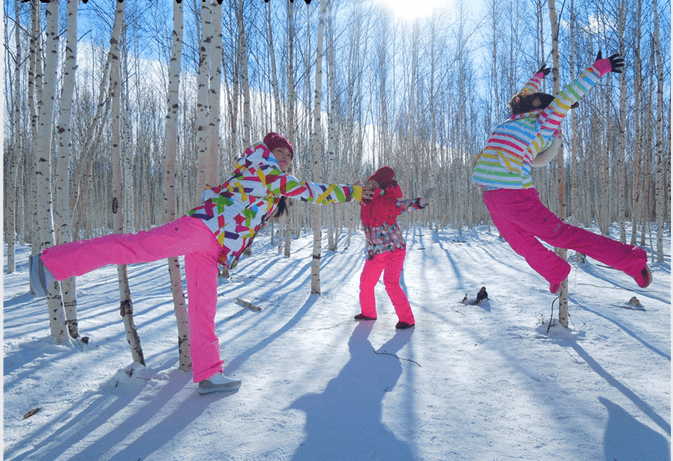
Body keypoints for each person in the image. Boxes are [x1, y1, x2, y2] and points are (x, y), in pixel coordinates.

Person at [31, 132, 374, 394]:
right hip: (202, 228)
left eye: (288, 156)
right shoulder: (261, 167)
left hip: (213, 246)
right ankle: (51, 263)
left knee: (203, 307)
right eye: (281, 152)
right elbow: (308, 190)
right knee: (135, 248)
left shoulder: (271, 181)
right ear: (268, 151)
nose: (285, 159)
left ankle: (209, 372)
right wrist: (352, 192)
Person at [471, 52, 651, 295]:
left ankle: (632, 261)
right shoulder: (512, 118)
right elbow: (523, 95)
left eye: (536, 99)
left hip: (514, 196)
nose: (529, 99)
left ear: (543, 107)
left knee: (561, 236)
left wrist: (599, 68)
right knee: (520, 243)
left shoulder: (543, 123)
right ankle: (555, 271)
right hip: (491, 196)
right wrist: (538, 76)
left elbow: (567, 96)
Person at [354, 166, 433, 329]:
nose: (369, 186)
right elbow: (357, 194)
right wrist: (355, 188)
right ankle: (368, 313)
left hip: (393, 251)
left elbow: (402, 205)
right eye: (369, 183)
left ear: (381, 187)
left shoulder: (385, 202)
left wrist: (419, 202)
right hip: (375, 253)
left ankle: (407, 319)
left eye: (373, 184)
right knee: (366, 282)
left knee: (390, 283)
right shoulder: (365, 202)